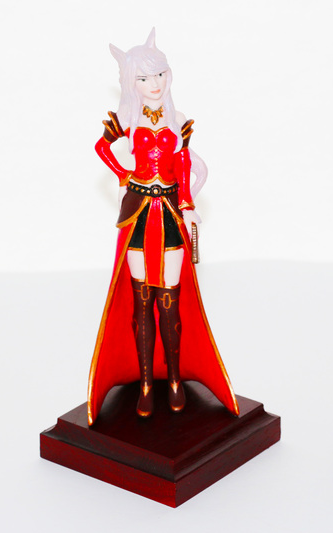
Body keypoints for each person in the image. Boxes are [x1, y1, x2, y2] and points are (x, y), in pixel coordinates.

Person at [86, 29, 238, 426]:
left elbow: (183, 165)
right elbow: (101, 148)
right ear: (131, 82)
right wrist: (123, 174)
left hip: (169, 212)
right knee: (142, 301)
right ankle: (145, 384)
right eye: (143, 77)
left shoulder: (179, 120)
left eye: (158, 75)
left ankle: (173, 378)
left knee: (169, 299)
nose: (153, 84)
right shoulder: (127, 119)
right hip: (138, 213)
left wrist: (187, 204)